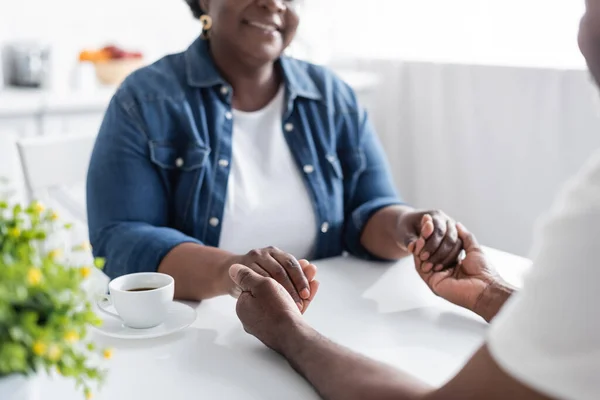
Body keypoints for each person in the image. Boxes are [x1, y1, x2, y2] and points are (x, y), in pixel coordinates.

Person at [229, 2, 600, 399]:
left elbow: (370, 206)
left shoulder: (331, 93)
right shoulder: (154, 97)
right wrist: (488, 292)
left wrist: (287, 331)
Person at [86, 0, 463, 308]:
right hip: (192, 330)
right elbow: (121, 238)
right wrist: (231, 272)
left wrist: (410, 226)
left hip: (325, 315)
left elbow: (370, 209)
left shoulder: (333, 96)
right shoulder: (144, 99)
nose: (274, 4)